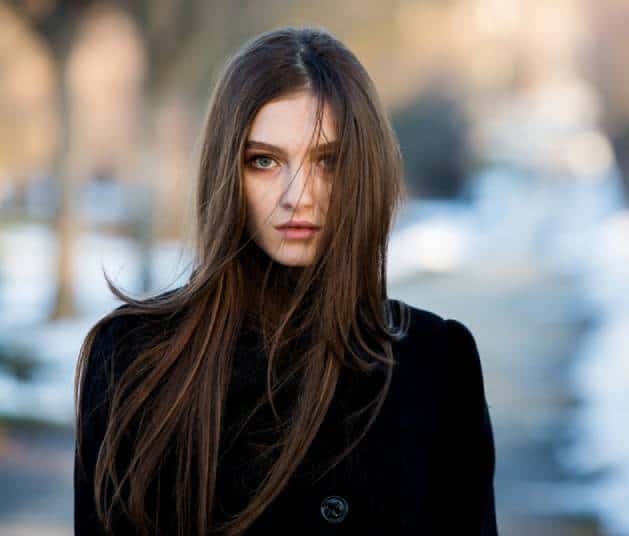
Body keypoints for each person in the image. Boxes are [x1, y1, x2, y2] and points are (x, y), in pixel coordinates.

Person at [73, 26, 497, 535]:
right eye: (265, 161)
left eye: (328, 162)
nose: (298, 195)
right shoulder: (136, 358)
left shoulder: (434, 362)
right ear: (228, 170)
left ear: (366, 170)